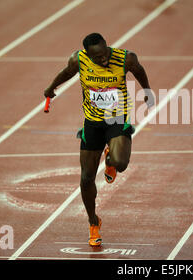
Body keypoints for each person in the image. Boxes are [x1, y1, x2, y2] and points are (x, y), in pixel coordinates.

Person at [44, 33, 154, 246]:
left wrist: (147, 90)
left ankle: (110, 160)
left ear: (107, 46)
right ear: (87, 54)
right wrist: (51, 88)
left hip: (116, 119)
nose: (103, 59)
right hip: (92, 123)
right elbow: (66, 72)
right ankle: (93, 222)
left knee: (121, 164)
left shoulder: (126, 58)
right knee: (86, 178)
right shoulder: (79, 60)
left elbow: (139, 70)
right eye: (98, 58)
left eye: (105, 53)